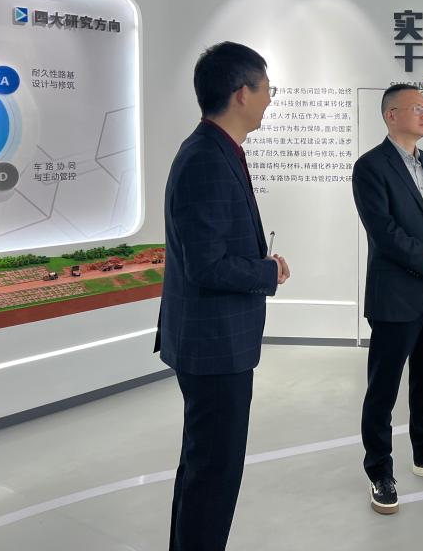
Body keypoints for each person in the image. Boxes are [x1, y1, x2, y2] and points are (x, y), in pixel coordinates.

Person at [155, 41, 290, 551]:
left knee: (205, 465)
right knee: (215, 471)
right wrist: (266, 271)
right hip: (213, 345)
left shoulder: (216, 149)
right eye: (267, 89)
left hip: (215, 340)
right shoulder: (206, 159)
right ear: (242, 93)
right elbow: (206, 265)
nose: (270, 99)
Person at [352, 83, 423, 515]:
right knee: (383, 389)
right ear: (391, 115)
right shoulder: (370, 166)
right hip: (397, 295)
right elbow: (384, 231)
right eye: (416, 107)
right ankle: (380, 471)